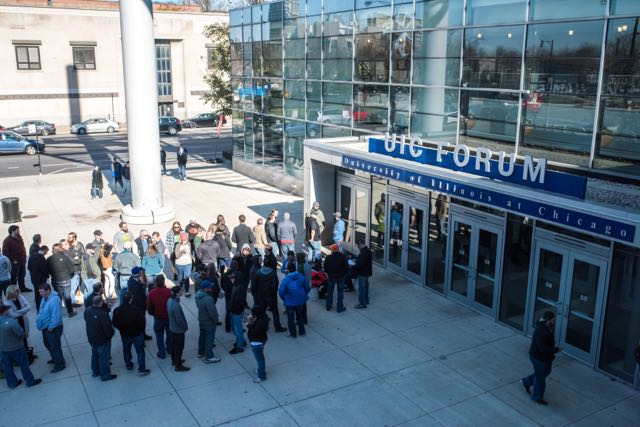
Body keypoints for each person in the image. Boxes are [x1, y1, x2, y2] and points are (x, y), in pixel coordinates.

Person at [521, 311, 560, 405]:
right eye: (553, 319)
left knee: (546, 372)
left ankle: (526, 381)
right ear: (548, 320)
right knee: (540, 379)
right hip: (538, 357)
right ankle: (536, 397)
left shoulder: (547, 326)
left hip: (545, 357)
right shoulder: (541, 331)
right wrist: (555, 350)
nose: (554, 321)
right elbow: (542, 348)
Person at [0, 304, 42, 389]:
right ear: (4, 311)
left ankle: (12, 383)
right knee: (23, 365)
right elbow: (21, 333)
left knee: (7, 367)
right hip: (17, 348)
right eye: (7, 310)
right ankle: (30, 381)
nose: (8, 311)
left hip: (3, 349)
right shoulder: (11, 322)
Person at [113, 292, 150, 376]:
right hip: (137, 334)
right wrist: (141, 331)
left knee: (126, 350)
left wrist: (121, 329)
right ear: (131, 300)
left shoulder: (117, 311)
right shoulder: (137, 310)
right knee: (140, 352)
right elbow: (142, 323)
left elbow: (114, 323)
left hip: (125, 335)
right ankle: (141, 369)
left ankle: (128, 365)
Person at [84, 295, 117, 381]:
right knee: (103, 358)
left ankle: (95, 371)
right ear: (101, 303)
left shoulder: (87, 311)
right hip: (102, 340)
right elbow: (108, 328)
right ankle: (105, 375)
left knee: (95, 354)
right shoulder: (103, 314)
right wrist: (110, 336)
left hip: (92, 338)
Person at [36, 284, 65, 373]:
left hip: (53, 329)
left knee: (54, 347)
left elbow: (56, 316)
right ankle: (55, 358)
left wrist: (51, 327)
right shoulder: (45, 297)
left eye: (42, 292)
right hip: (46, 328)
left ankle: (59, 364)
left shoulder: (54, 300)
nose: (41, 294)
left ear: (48, 290)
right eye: (39, 292)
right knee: (48, 344)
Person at [4, 285, 35, 364]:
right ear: (11, 293)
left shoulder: (20, 297)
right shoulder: (7, 302)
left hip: (24, 321)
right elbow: (12, 315)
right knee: (20, 339)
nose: (18, 292)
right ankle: (25, 357)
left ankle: (28, 353)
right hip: (16, 324)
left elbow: (29, 307)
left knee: (25, 337)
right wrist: (23, 311)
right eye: (16, 291)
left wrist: (18, 312)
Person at [46, 243, 76, 317]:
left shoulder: (49, 259)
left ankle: (57, 313)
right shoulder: (65, 257)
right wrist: (70, 275)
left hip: (56, 280)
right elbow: (71, 269)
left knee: (58, 296)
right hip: (66, 279)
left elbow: (47, 270)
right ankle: (70, 312)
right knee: (67, 296)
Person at [278, 262, 308, 338]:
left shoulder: (285, 280)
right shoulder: (301, 276)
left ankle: (293, 333)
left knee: (290, 319)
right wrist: (303, 295)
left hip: (290, 303)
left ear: (288, 270)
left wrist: (285, 299)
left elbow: (281, 292)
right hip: (300, 301)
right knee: (300, 316)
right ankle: (302, 331)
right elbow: (306, 287)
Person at [195, 280, 221, 363]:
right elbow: (213, 313)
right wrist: (216, 320)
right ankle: (209, 356)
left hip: (201, 319)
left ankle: (201, 352)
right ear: (206, 289)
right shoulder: (208, 299)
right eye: (209, 287)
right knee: (209, 338)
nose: (211, 288)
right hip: (209, 322)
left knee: (202, 336)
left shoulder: (198, 295)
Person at [147, 275, 172, 360]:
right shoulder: (169, 292)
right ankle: (169, 349)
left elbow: (149, 308)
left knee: (159, 336)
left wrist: (153, 314)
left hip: (158, 318)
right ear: (164, 282)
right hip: (168, 317)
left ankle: (162, 353)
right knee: (169, 334)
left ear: (156, 283)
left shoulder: (151, 293)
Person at [261, 248, 287, 332]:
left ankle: (274, 326)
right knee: (274, 311)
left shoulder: (271, 260)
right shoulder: (268, 259)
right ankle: (277, 327)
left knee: (271, 310)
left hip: (267, 293)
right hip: (270, 294)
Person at [167, 286, 189, 371]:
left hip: (172, 328)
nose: (182, 292)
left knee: (174, 346)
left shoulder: (169, 300)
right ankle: (178, 365)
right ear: (177, 293)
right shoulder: (175, 305)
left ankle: (175, 360)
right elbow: (179, 320)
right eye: (181, 291)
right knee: (179, 347)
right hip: (178, 330)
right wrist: (185, 327)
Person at [2, 225, 30, 293]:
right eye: (17, 230)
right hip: (15, 263)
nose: (19, 231)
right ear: (12, 231)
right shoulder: (7, 241)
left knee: (22, 275)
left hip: (22, 261)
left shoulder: (19, 236)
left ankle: (23, 288)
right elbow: (5, 253)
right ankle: (14, 291)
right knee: (14, 278)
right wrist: (13, 260)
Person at [323, 244, 349, 313]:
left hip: (331, 277)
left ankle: (328, 306)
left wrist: (328, 274)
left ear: (332, 250)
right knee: (340, 292)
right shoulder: (343, 257)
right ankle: (340, 307)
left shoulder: (328, 257)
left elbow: (325, 268)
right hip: (340, 277)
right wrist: (343, 275)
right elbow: (346, 268)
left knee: (330, 292)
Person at [228, 263, 247, 354]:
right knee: (237, 329)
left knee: (237, 329)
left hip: (237, 312)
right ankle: (242, 341)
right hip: (235, 311)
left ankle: (240, 346)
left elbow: (239, 303)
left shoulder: (239, 288)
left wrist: (233, 309)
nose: (231, 279)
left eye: (233, 277)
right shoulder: (237, 286)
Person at [247, 305, 269, 383]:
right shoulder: (264, 318)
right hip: (262, 340)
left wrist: (249, 324)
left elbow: (254, 333)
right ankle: (260, 369)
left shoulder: (260, 322)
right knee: (260, 358)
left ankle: (261, 376)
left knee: (260, 359)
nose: (252, 314)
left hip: (257, 342)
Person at [64, 232, 85, 307]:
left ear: (74, 238)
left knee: (78, 284)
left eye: (70, 237)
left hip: (80, 268)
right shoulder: (68, 246)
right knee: (73, 285)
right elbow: (70, 258)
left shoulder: (80, 245)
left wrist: (78, 257)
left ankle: (77, 298)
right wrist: (76, 258)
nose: (68, 239)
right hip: (74, 269)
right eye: (68, 237)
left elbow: (83, 254)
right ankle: (73, 301)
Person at [27, 245, 49, 312]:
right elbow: (44, 269)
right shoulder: (41, 258)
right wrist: (47, 275)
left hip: (34, 278)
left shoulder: (31, 256)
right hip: (41, 279)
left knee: (37, 293)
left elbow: (28, 267)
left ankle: (38, 308)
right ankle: (43, 308)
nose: (46, 253)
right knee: (43, 293)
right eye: (46, 252)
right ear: (44, 250)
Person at [353, 240, 373, 309]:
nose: (358, 248)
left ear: (361, 244)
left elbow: (360, 265)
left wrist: (354, 265)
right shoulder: (368, 251)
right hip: (367, 272)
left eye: (358, 246)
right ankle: (366, 300)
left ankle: (362, 303)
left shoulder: (363, 253)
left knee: (362, 289)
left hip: (362, 273)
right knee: (366, 287)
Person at [174, 232, 193, 297]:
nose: (186, 241)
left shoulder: (189, 244)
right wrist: (182, 251)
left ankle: (187, 291)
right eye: (184, 240)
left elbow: (190, 253)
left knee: (187, 277)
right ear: (181, 240)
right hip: (180, 263)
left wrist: (191, 260)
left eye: (186, 239)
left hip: (188, 263)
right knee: (180, 277)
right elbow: (177, 256)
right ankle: (181, 288)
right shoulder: (177, 245)